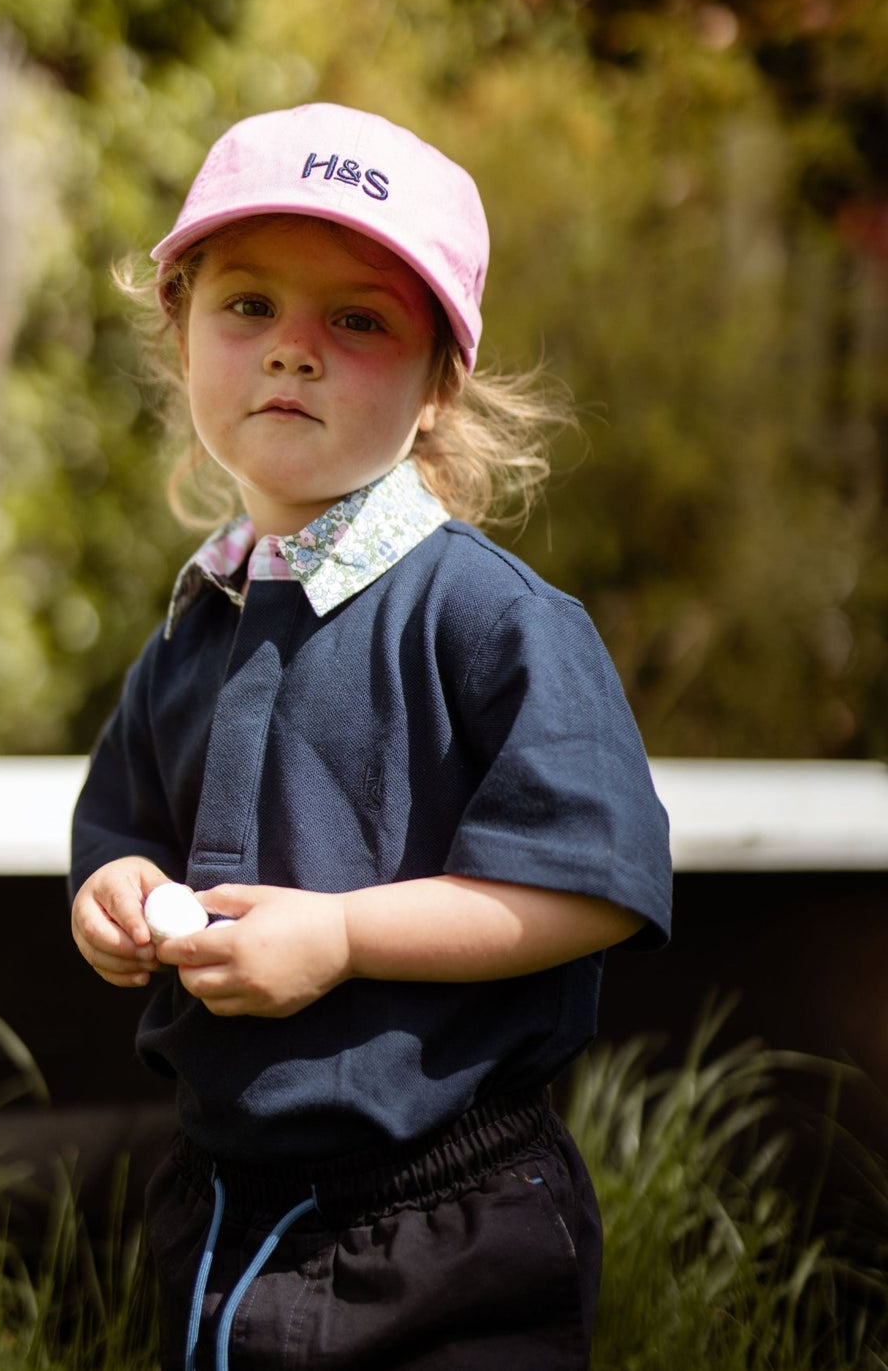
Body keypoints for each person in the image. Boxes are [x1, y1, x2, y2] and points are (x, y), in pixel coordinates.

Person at [69, 102, 671, 1371]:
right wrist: (117, 894)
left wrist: (343, 936)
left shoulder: (486, 617)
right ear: (180, 330)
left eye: (356, 319)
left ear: (441, 379)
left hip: (445, 1214)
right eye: (247, 306)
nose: (292, 351)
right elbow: (125, 830)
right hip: (221, 1192)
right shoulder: (199, 617)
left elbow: (593, 887)